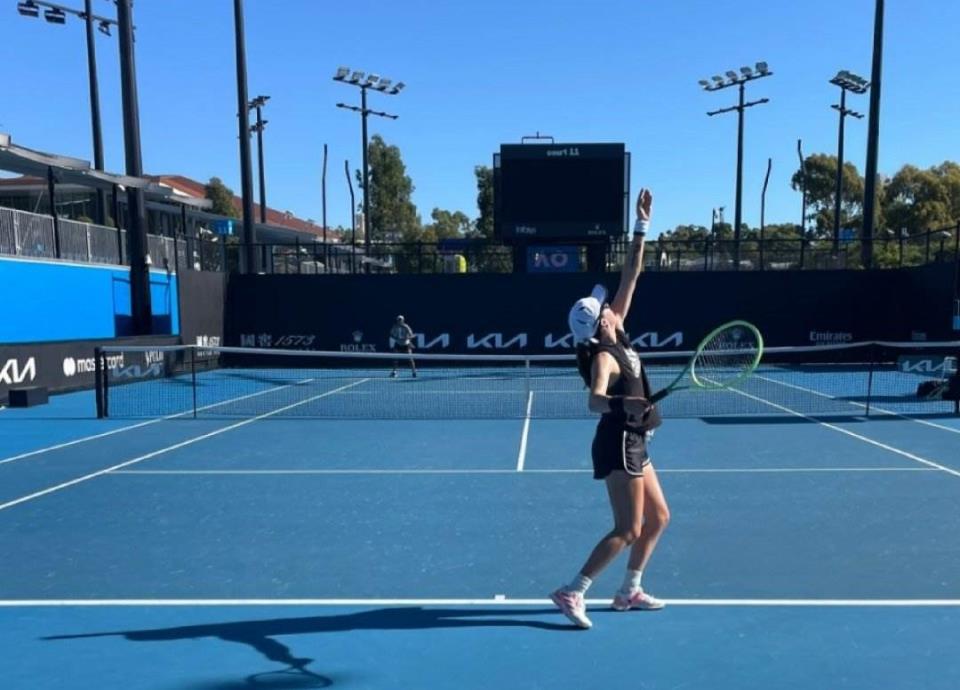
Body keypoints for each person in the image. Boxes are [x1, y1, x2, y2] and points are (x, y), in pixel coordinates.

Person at [550, 188, 670, 629]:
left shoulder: (615, 327)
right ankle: (572, 590)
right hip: (619, 443)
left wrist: (642, 225)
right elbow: (594, 401)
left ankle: (629, 590)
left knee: (659, 518)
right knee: (628, 528)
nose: (610, 305)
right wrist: (626, 401)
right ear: (600, 321)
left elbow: (631, 274)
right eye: (603, 307)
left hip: (635, 439)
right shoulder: (604, 356)